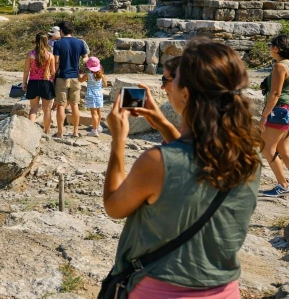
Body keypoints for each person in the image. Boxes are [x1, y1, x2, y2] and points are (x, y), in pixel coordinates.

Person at [104, 38, 261, 298]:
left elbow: (113, 206)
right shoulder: (249, 156)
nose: (167, 86)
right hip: (225, 290)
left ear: (185, 93)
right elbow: (197, 160)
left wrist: (118, 140)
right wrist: (163, 123)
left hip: (159, 290)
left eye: (172, 79)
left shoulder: (156, 162)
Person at [259, 34, 289, 198]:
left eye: (271, 45)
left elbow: (276, 93)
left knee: (266, 148)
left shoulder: (280, 67)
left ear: (277, 48)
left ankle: (283, 185)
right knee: (284, 149)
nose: (270, 48)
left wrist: (264, 116)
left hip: (279, 111)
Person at [53, 20, 89, 137]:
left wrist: (53, 74)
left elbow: (57, 61)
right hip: (75, 77)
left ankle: (60, 132)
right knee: (74, 105)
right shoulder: (80, 43)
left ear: (61, 31)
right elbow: (85, 59)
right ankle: (75, 132)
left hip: (62, 77)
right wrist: (82, 72)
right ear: (72, 31)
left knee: (60, 105)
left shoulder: (57, 43)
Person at [22, 33, 56, 135]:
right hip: (46, 83)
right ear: (47, 42)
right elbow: (53, 71)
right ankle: (46, 131)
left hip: (33, 82)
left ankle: (30, 131)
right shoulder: (50, 55)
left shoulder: (31, 54)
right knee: (47, 109)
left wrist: (24, 82)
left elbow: (26, 70)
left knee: (33, 109)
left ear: (36, 41)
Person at [80, 56, 104, 136]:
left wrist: (77, 74)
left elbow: (80, 80)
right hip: (99, 94)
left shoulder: (88, 75)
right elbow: (106, 84)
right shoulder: (101, 75)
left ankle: (94, 131)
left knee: (93, 113)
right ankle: (98, 126)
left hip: (91, 94)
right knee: (98, 111)